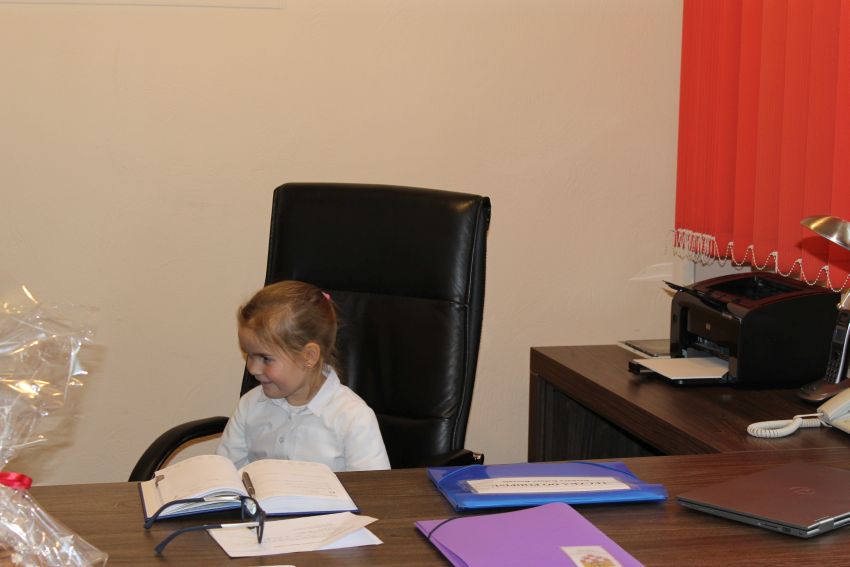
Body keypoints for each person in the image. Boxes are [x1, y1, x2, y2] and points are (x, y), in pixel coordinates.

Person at [216, 280, 390, 472]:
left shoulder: (353, 418)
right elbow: (225, 473)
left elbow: (373, 488)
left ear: (308, 356)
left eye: (265, 358)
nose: (253, 369)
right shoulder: (250, 406)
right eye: (249, 355)